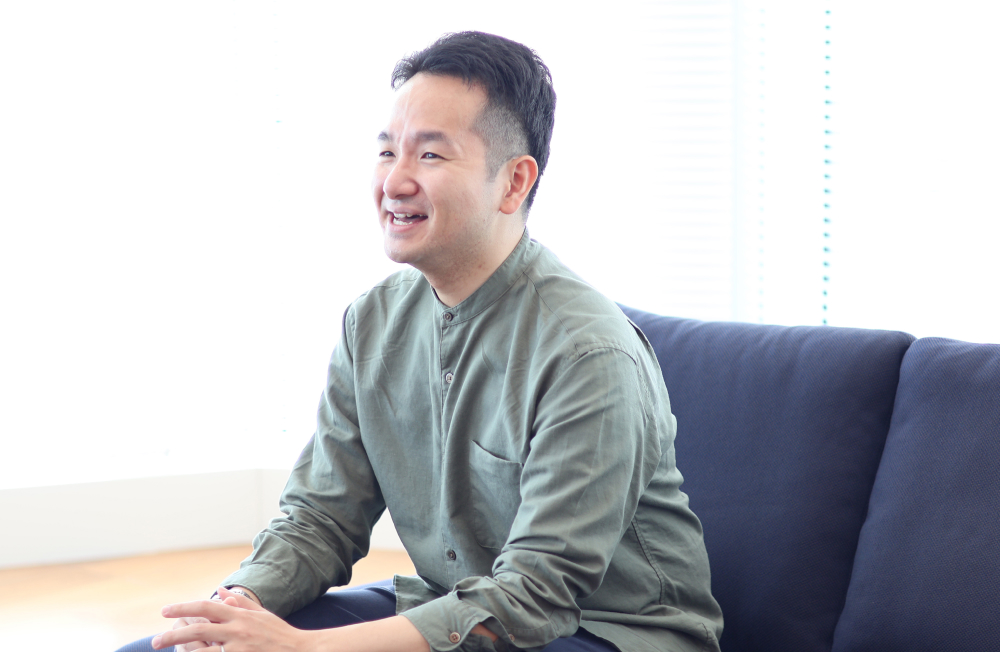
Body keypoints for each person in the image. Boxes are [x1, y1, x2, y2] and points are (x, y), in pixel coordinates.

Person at [124, 31, 723, 652]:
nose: (396, 181)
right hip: (451, 605)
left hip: (602, 631)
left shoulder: (589, 354)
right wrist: (238, 606)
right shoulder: (374, 322)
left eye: (431, 157)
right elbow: (320, 517)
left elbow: (535, 596)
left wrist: (301, 647)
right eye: (387, 152)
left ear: (514, 183)